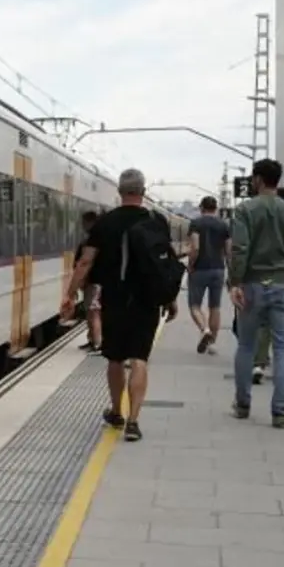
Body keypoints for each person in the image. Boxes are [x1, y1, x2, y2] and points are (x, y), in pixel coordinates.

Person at [60, 168, 180, 443]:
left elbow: (85, 262)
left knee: (115, 358)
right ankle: (134, 422)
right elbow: (164, 265)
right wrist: (170, 299)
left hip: (114, 298)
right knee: (139, 358)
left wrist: (70, 294)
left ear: (119, 191)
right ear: (143, 191)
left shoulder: (105, 223)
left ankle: (116, 412)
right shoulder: (156, 221)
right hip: (147, 299)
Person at [229, 163, 284, 427]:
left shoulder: (245, 210)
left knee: (246, 346)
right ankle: (280, 412)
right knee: (283, 349)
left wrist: (235, 282)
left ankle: (242, 404)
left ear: (257, 179)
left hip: (252, 284)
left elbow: (240, 248)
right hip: (283, 285)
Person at [186, 196, 230, 355]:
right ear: (216, 208)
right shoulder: (224, 225)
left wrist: (190, 265)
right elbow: (229, 251)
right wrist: (230, 271)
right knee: (215, 307)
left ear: (201, 208)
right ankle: (212, 344)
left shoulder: (196, 223)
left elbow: (195, 248)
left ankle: (205, 330)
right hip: (218, 269)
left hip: (199, 269)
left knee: (194, 306)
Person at [72, 209, 102, 352]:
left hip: (93, 282)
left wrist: (74, 287)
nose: (83, 225)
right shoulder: (94, 240)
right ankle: (92, 340)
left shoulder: (91, 241)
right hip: (91, 282)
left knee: (93, 312)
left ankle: (96, 343)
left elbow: (84, 262)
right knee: (91, 312)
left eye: (84, 222)